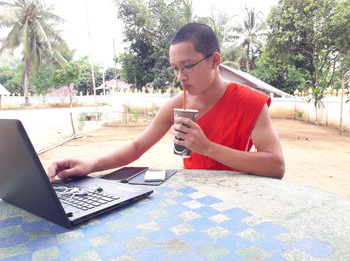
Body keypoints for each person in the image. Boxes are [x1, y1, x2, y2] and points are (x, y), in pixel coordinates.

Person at [48, 22, 285, 181]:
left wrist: (207, 148)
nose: (181, 76)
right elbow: (136, 147)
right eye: (175, 68)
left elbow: (276, 166)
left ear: (214, 60)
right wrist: (90, 165)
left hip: (239, 194)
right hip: (191, 195)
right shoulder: (176, 105)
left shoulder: (250, 102)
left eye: (188, 65)